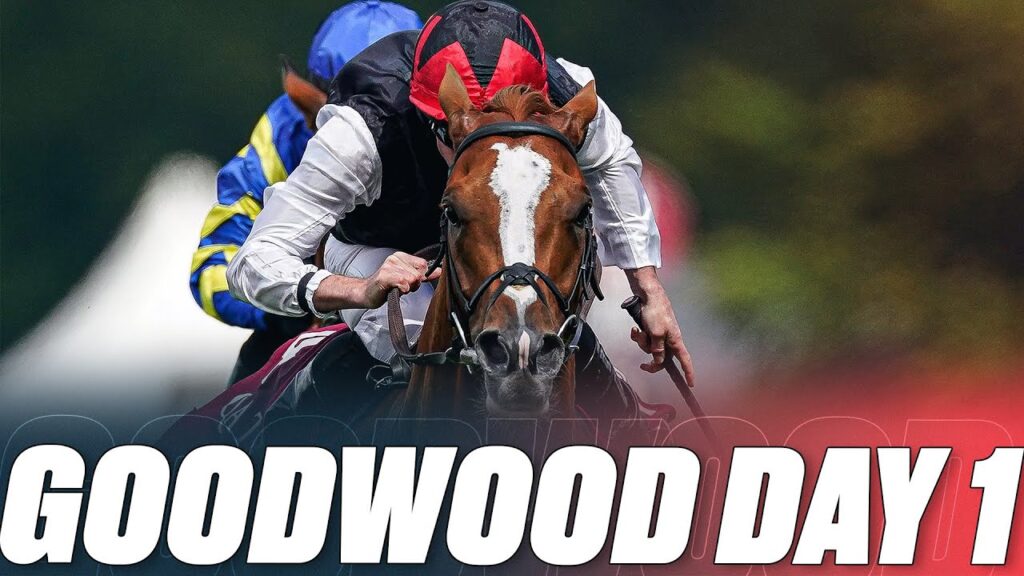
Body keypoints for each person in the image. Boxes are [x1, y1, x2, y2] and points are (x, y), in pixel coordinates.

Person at [227, 0, 696, 414]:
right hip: (380, 250)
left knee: (554, 327)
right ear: (427, 114)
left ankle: (637, 429)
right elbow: (253, 263)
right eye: (456, 136)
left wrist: (648, 290)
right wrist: (358, 289)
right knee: (417, 333)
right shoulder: (361, 132)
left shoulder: (562, 94)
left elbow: (612, 164)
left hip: (498, 243)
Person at [189, 1, 423, 383]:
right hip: (307, 316)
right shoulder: (280, 139)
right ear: (313, 107)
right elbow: (213, 268)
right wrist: (304, 300)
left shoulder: (457, 129)